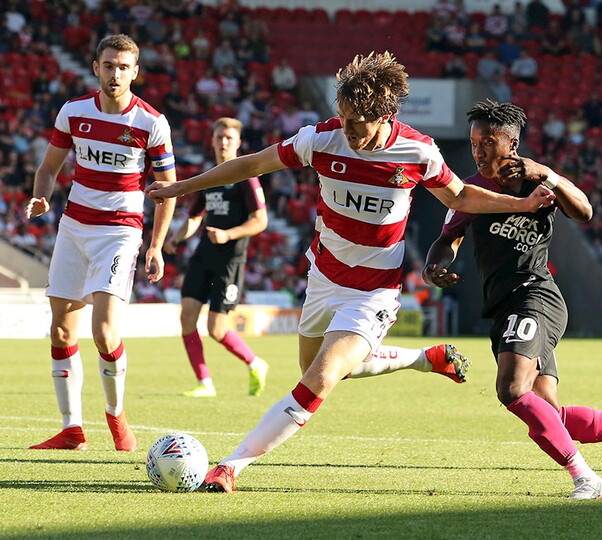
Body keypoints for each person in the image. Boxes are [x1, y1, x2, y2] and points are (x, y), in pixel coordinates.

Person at [145, 52, 555, 493]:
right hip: (323, 278)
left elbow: (459, 197)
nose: (346, 129)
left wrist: (521, 204)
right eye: (342, 117)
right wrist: (182, 186)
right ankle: (424, 358)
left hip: (373, 290)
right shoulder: (321, 138)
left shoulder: (417, 151)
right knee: (315, 370)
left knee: (320, 379)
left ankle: (230, 466)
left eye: (356, 122)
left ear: (385, 116)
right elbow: (251, 164)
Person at [421, 100, 602, 499]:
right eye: (474, 143)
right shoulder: (471, 190)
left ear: (511, 144)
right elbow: (447, 239)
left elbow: (584, 211)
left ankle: (588, 479)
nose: (478, 151)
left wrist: (551, 176)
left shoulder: (538, 182)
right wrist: (434, 267)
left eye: (488, 142)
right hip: (504, 306)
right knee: (549, 413)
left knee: (511, 389)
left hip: (535, 297)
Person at [26, 34, 177, 451]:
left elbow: (167, 189)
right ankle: (71, 429)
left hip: (119, 232)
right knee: (60, 329)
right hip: (74, 227)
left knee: (105, 333)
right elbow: (48, 168)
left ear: (135, 72)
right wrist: (42, 196)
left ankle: (116, 415)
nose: (115, 74)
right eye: (108, 65)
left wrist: (155, 245)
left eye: (123, 67)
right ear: (96, 68)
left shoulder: (151, 122)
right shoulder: (73, 112)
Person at [164, 117, 271, 398]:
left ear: (238, 143)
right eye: (219, 137)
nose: (223, 142)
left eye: (229, 138)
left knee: (216, 328)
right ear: (212, 141)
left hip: (229, 260)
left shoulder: (246, 177)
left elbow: (260, 220)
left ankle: (255, 363)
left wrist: (228, 234)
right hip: (204, 255)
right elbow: (194, 217)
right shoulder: (209, 177)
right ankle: (204, 382)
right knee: (187, 316)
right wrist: (176, 238)